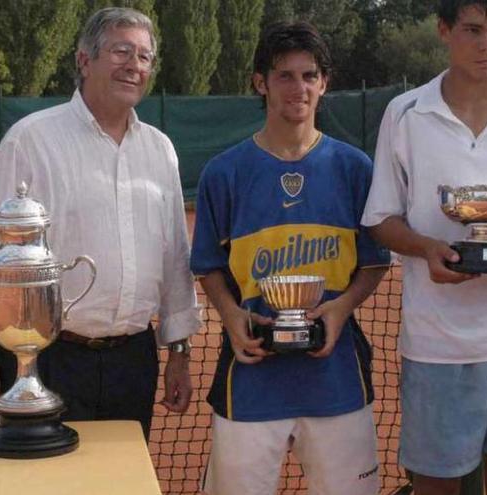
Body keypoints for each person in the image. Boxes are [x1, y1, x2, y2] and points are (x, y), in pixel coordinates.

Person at [0, 7, 200, 440]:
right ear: (84, 60)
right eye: (121, 51)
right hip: (45, 360)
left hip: (133, 362)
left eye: (145, 57)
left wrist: (178, 352)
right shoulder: (31, 139)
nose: (134, 65)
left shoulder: (160, 150)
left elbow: (174, 260)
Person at [361, 1, 487, 493]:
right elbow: (380, 219)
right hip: (438, 341)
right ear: (444, 31)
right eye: (473, 30)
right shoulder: (407, 112)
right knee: (435, 484)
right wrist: (429, 247)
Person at [190, 21, 390, 495]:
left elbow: (375, 259)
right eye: (284, 75)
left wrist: (341, 309)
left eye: (308, 75)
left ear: (324, 83)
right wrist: (231, 314)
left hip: (336, 377)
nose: (297, 88)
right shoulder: (224, 173)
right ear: (260, 82)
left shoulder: (354, 169)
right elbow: (209, 266)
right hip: (252, 377)